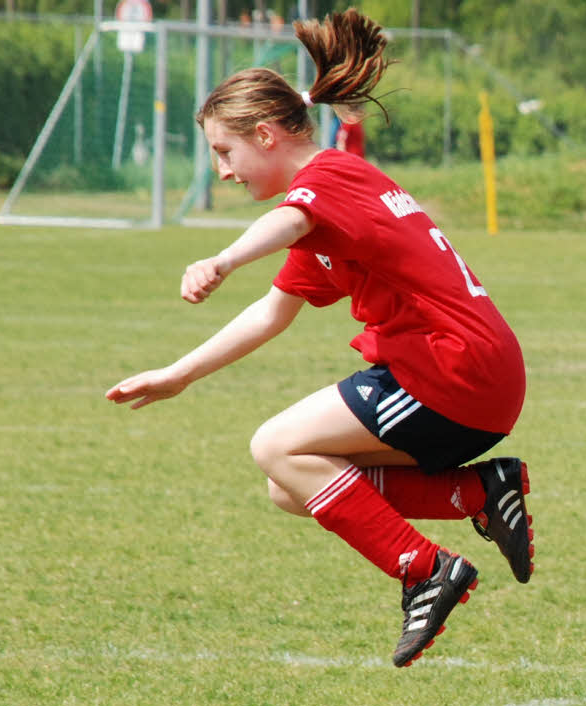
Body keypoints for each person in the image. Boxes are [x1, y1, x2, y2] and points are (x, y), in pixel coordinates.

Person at [106, 9, 534, 668]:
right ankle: (478, 493)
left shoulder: (327, 182)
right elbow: (271, 313)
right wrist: (178, 374)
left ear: (268, 134)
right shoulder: (323, 215)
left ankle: (425, 569)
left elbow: (288, 217)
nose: (223, 171)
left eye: (225, 152)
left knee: (274, 445)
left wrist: (222, 260)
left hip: (450, 372)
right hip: (469, 376)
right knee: (289, 485)